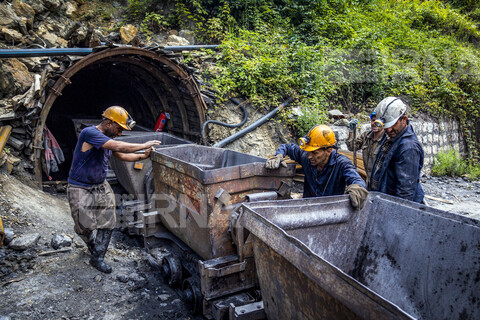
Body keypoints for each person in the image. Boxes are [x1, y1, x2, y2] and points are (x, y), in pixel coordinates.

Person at [67, 106, 161, 273]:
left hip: (101, 186)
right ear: (109, 122)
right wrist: (144, 143)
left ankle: (98, 258)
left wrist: (143, 155)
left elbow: (123, 156)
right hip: (80, 187)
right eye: (119, 129)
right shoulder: (90, 133)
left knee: (108, 222)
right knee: (84, 226)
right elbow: (118, 147)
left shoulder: (107, 140)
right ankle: (92, 246)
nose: (119, 133)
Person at [266, 124, 368, 210]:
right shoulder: (306, 157)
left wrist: (357, 189)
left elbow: (357, 180)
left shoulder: (342, 164)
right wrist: (278, 155)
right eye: (309, 152)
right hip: (307, 210)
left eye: (315, 153)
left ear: (328, 151)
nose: (310, 156)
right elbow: (287, 147)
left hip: (332, 213)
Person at [369, 97, 424, 203]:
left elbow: (405, 193)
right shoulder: (392, 138)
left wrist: (397, 215)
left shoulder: (408, 148)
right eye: (386, 126)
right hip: (384, 201)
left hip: (394, 206)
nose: (388, 130)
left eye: (393, 124)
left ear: (404, 119)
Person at [346, 111, 386, 187]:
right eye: (373, 120)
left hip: (382, 184)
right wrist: (351, 130)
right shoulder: (366, 136)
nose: (374, 124)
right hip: (369, 182)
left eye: (378, 121)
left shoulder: (387, 140)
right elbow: (352, 147)